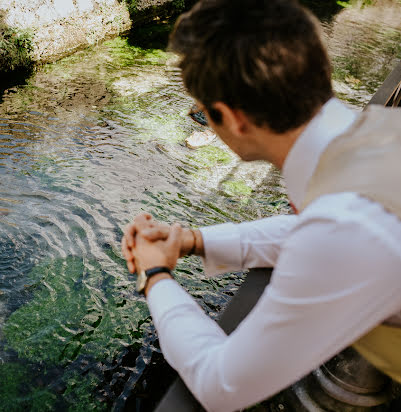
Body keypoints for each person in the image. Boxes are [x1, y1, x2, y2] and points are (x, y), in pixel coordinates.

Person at [121, 0, 401, 410]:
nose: (204, 122)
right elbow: (321, 230)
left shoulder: (344, 229)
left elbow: (221, 385)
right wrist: (193, 240)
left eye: (202, 114)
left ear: (234, 120)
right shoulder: (379, 131)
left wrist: (155, 275)